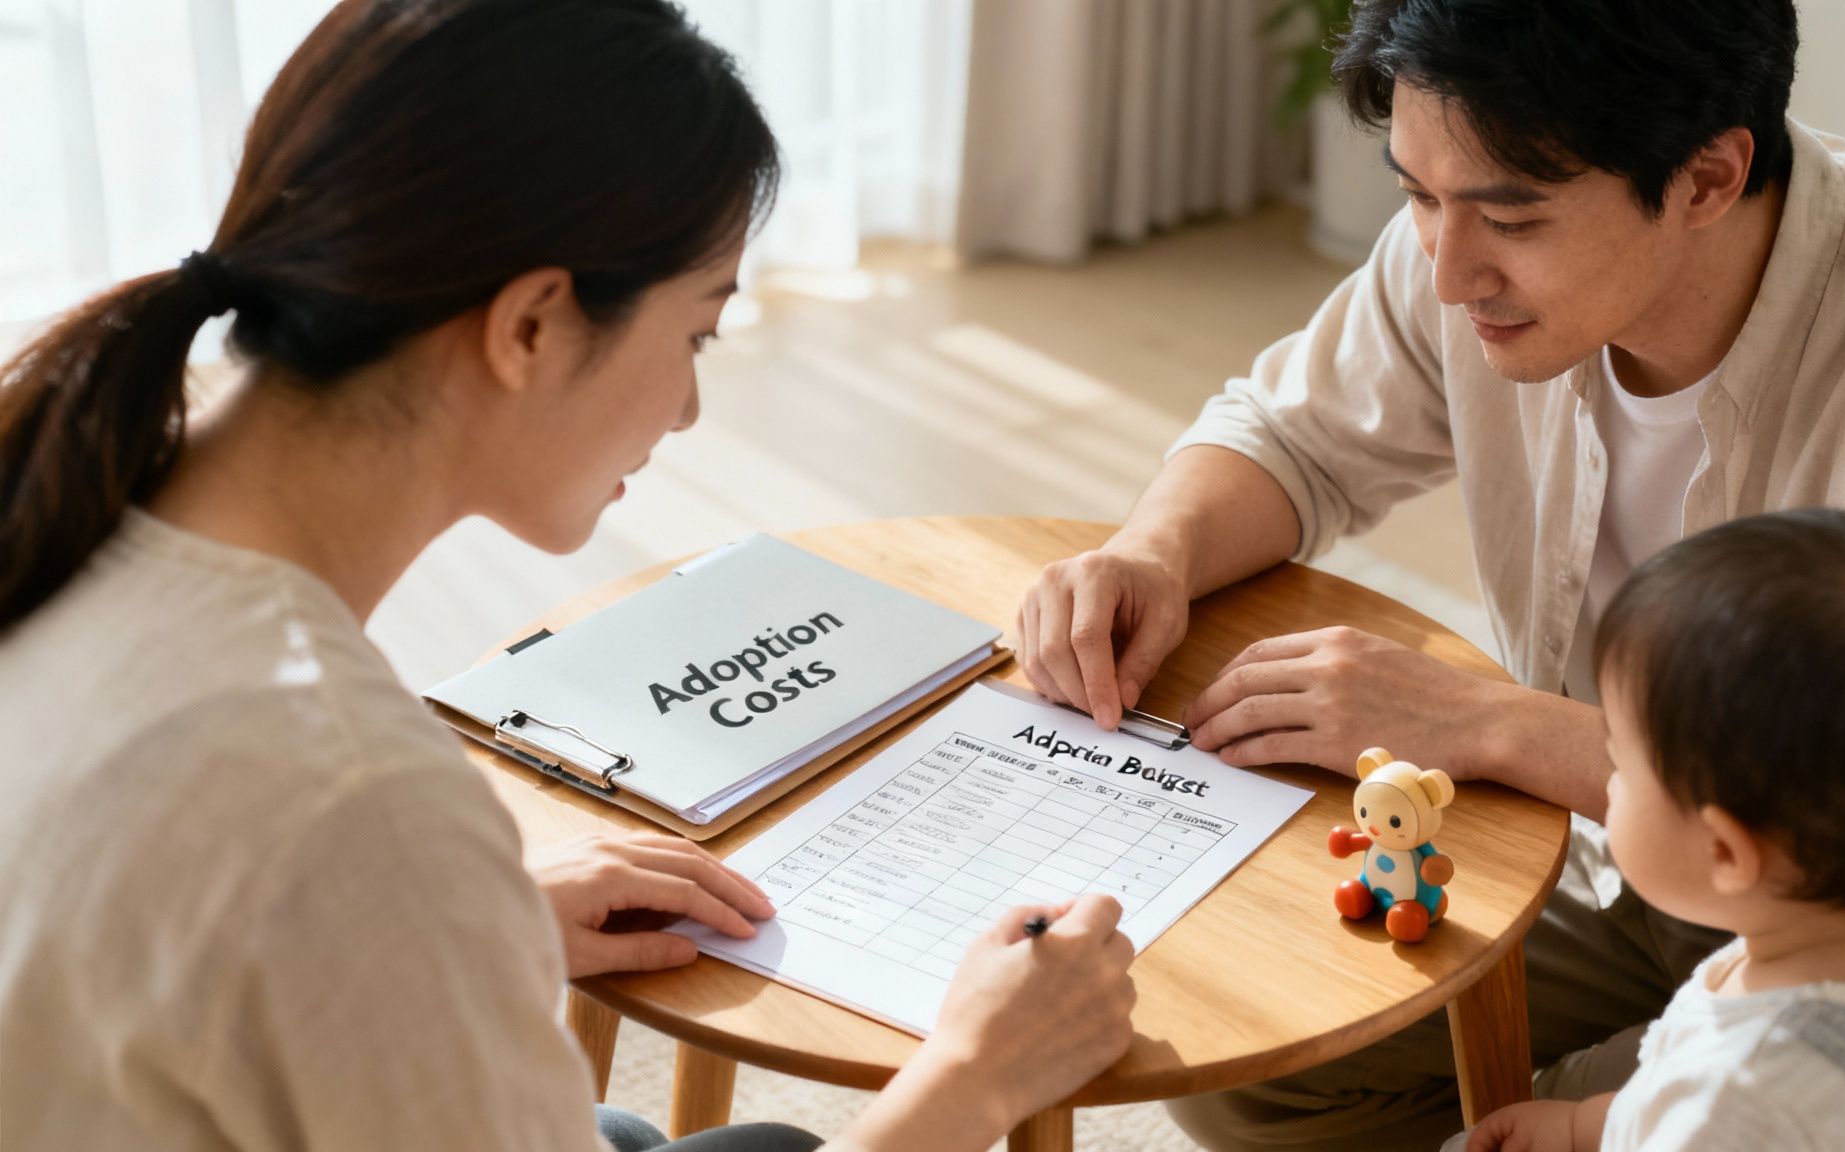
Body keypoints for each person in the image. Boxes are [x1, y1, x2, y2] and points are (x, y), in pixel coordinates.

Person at [0, 3, 1136, 1150]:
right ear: (533, 324)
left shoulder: (62, 522)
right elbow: (302, 858)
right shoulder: (354, 797)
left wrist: (452, 937)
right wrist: (977, 1076)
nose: (687, 408)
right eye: (695, 335)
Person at [1015, 1, 1845, 1147]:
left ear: (1706, 178)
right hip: (1634, 831)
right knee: (1248, 1059)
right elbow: (1289, 434)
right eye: (1416, 194)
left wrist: (1489, 726)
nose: (1448, 273)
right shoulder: (1470, 236)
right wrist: (1150, 550)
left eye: (1509, 217)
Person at [1463, 509, 1845, 1151]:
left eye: (1621, 763)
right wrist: (1577, 1128)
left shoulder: (1736, 1098)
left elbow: (1719, 1115)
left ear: (1726, 852)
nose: (1610, 782)